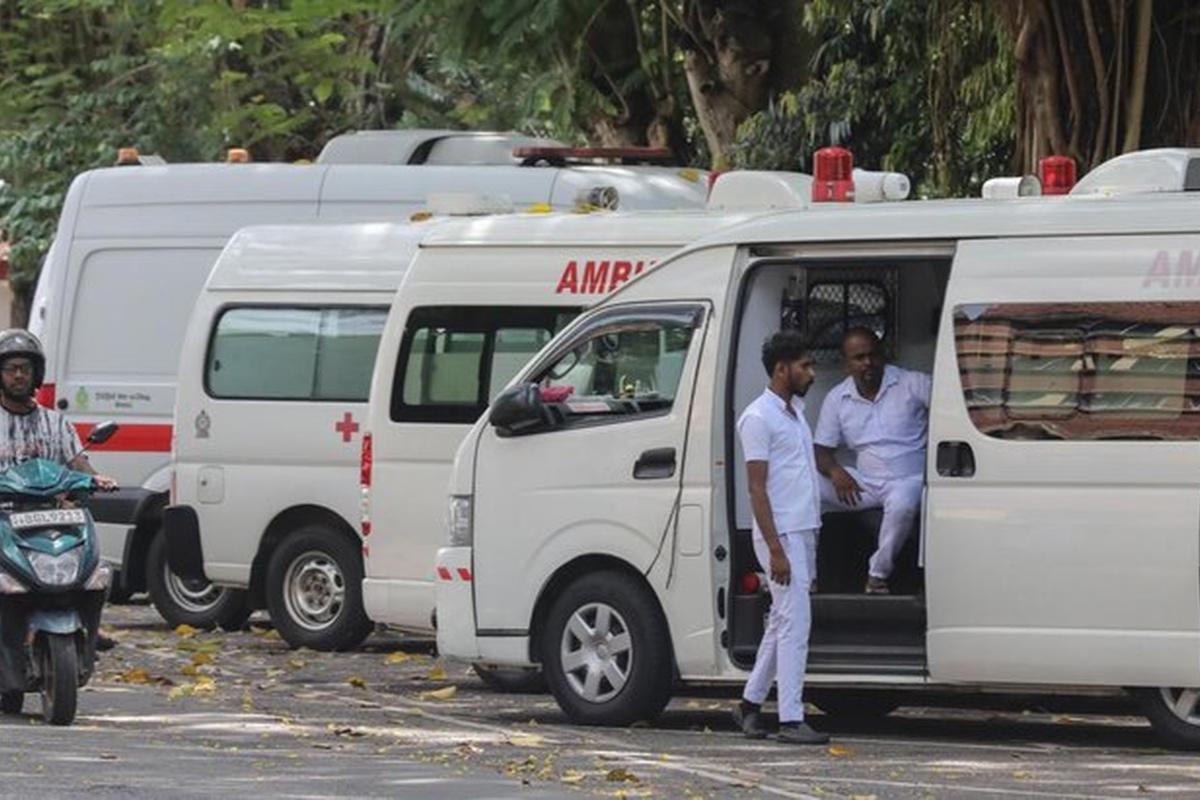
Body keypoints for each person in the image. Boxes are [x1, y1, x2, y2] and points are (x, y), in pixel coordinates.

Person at [732, 330, 829, 745]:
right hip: (781, 535)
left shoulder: (795, 412)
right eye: (804, 365)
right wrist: (775, 549)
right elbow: (757, 488)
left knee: (782, 623)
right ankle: (791, 718)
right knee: (795, 626)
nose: (811, 372)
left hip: (800, 531)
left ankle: (750, 706)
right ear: (781, 368)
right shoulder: (758, 418)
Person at [0, 329, 118, 649]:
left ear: (36, 373)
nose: (19, 375)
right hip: (4, 518)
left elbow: (77, 462)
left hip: (52, 515)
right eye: (11, 368)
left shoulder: (56, 423)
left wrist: (96, 478)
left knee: (97, 568)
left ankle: (87, 621)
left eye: (25, 368)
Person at [814, 327, 931, 594]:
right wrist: (835, 472)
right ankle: (807, 573)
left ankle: (877, 576)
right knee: (803, 483)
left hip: (908, 480)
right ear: (846, 365)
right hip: (863, 484)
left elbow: (950, 404)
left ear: (883, 355)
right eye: (858, 357)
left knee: (901, 505)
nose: (867, 362)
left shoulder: (912, 383)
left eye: (872, 354)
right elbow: (820, 450)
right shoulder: (837, 398)